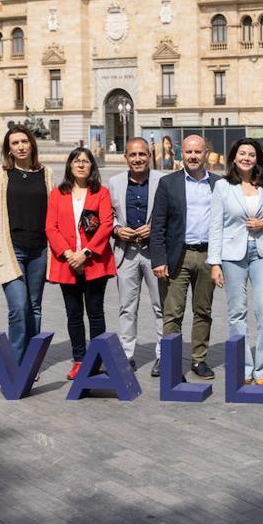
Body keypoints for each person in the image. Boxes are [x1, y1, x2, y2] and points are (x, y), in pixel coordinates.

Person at [208, 138, 263, 385]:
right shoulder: (223, 186)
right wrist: (214, 263)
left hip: (262, 251)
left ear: (257, 158)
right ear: (234, 158)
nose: (246, 157)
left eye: (251, 154)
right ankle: (244, 366)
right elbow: (215, 225)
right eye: (242, 153)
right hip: (232, 254)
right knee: (237, 312)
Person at [151, 134, 220, 379]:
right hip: (176, 256)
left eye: (197, 152)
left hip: (207, 256)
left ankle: (199, 360)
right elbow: (157, 224)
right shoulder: (168, 183)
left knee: (203, 311)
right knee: (173, 313)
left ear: (205, 154)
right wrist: (158, 260)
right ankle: (170, 362)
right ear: (182, 155)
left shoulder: (218, 184)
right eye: (188, 152)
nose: (192, 156)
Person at [0, 125, 53, 364]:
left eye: (24, 141)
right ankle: (15, 363)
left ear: (32, 144)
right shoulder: (0, 174)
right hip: (11, 249)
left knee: (34, 306)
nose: (21, 146)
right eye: (15, 143)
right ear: (9, 149)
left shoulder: (46, 173)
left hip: (40, 250)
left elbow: (54, 213)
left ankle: (31, 363)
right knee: (18, 307)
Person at [46, 148, 116, 379]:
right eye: (77, 161)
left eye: (86, 161)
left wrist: (84, 253)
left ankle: (98, 359)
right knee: (74, 313)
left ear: (92, 167)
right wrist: (69, 254)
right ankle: (79, 359)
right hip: (67, 263)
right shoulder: (58, 194)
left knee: (95, 312)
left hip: (94, 261)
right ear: (69, 166)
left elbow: (106, 224)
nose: (81, 165)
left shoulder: (101, 193)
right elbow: (51, 227)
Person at [108, 137, 164, 372]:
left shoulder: (163, 181)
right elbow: (108, 214)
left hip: (155, 253)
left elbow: (172, 213)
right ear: (126, 158)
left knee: (161, 306)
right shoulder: (114, 182)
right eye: (133, 155)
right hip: (126, 252)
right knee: (127, 307)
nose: (138, 159)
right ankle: (127, 354)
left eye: (142, 154)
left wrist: (155, 228)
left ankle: (164, 354)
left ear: (149, 156)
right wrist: (117, 229)